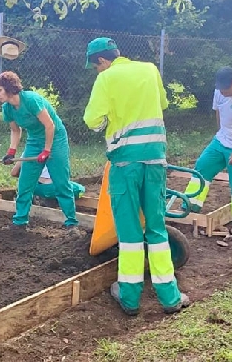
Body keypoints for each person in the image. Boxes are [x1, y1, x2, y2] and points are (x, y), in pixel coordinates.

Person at [82, 37, 189, 316]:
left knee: (129, 233)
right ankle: (170, 297)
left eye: (96, 67)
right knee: (156, 228)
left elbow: (92, 120)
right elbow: (162, 103)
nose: (97, 71)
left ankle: (129, 297)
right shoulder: (150, 69)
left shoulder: (106, 79)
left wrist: (109, 121)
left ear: (102, 61)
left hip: (125, 164)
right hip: (155, 161)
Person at [183, 67, 232, 239]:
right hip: (221, 141)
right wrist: (221, 134)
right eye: (221, 89)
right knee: (201, 168)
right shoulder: (219, 91)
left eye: (227, 88)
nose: (224, 92)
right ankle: (190, 206)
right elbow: (219, 112)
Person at [0, 71, 78, 228]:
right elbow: (16, 131)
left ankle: (71, 222)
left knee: (61, 182)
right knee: (25, 183)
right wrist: (11, 152)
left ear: (9, 88)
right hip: (34, 140)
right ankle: (20, 222)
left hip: (55, 138)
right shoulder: (8, 109)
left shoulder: (31, 100)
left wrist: (47, 150)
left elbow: (50, 125)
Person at [10, 160, 86, 205]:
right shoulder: (58, 152)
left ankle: (31, 198)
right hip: (52, 188)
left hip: (34, 187)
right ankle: (55, 199)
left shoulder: (28, 152)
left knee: (25, 183)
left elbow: (13, 173)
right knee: (80, 189)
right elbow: (64, 176)